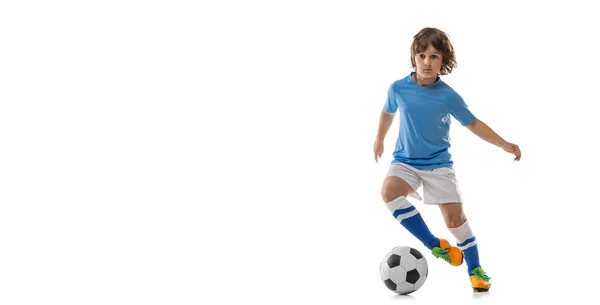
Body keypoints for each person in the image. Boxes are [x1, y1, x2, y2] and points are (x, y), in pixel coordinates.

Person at [373, 27, 521, 292]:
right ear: (414, 58)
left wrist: (504, 144)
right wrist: (378, 139)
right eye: (422, 56)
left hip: (439, 165)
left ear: (444, 62)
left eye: (434, 56)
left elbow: (473, 124)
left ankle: (475, 269)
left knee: (455, 221)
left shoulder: (448, 95)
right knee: (389, 191)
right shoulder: (398, 88)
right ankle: (435, 245)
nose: (427, 62)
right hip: (405, 162)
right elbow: (387, 113)